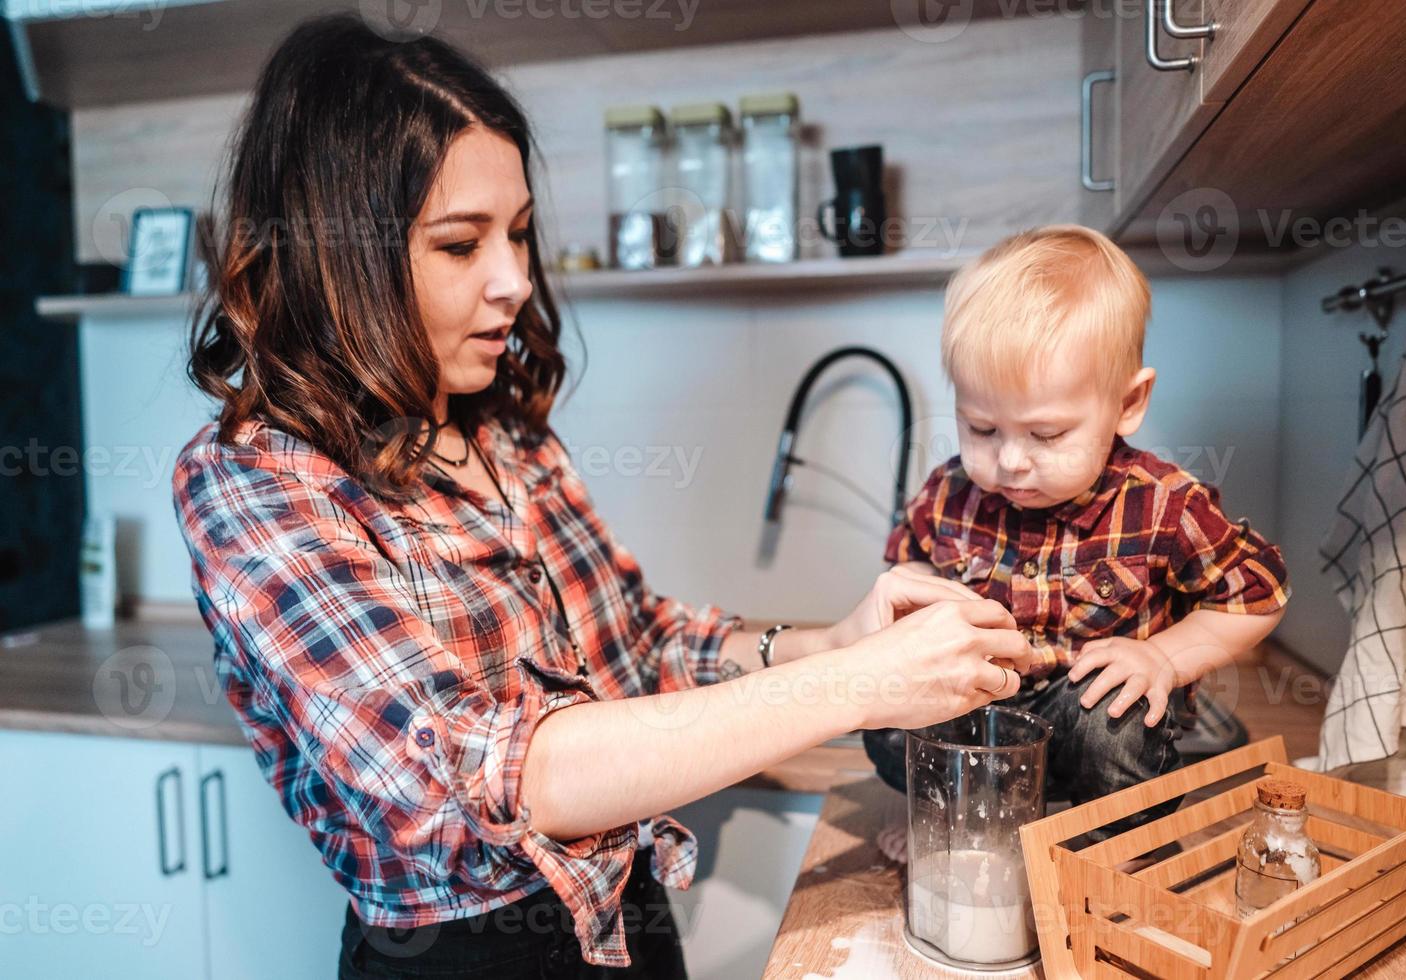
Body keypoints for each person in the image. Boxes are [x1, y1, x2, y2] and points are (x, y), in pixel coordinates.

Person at [171, 14, 1034, 979]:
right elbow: (476, 771)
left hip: (625, 919)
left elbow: (635, 644)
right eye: (462, 245)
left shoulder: (504, 434)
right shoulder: (253, 481)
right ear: (335, 253)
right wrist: (857, 684)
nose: (514, 282)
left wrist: (831, 641)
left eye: (523, 233)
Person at [864, 224, 1291, 845]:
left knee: (1114, 726)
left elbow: (1259, 594)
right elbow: (904, 585)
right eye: (981, 428)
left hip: (1086, 720)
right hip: (983, 713)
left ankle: (1109, 856)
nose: (1010, 460)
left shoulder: (1164, 504)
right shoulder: (947, 493)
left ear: (1128, 403)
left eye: (1045, 436)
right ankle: (955, 829)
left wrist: (1164, 658)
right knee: (883, 722)